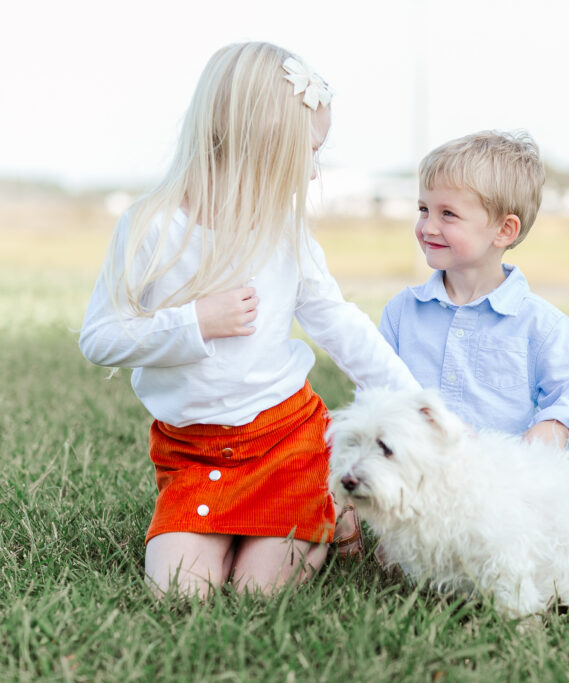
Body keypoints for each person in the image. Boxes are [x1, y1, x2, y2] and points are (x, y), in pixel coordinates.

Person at [79, 42, 417, 597]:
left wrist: (413, 404)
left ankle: (328, 504)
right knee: (178, 592)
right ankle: (294, 520)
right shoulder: (151, 227)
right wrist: (194, 323)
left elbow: (339, 324)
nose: (313, 171)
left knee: (257, 592)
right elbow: (100, 337)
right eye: (308, 151)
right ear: (259, 143)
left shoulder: (285, 232)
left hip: (284, 441)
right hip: (194, 453)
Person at [379, 131, 569, 453]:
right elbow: (375, 392)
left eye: (447, 214)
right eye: (423, 209)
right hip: (413, 479)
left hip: (496, 484)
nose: (428, 227)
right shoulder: (402, 311)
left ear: (504, 230)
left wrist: (555, 426)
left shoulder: (538, 322)